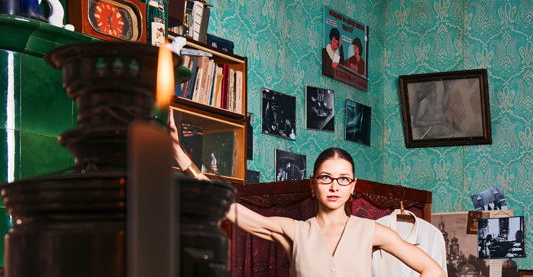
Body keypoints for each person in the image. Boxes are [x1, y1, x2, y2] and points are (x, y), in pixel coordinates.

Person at [169, 111, 445, 277]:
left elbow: (433, 270)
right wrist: (181, 156)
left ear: (353, 186)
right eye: (326, 178)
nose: (334, 186)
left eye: (343, 179)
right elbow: (228, 207)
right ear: (313, 183)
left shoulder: (372, 231)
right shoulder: (294, 230)